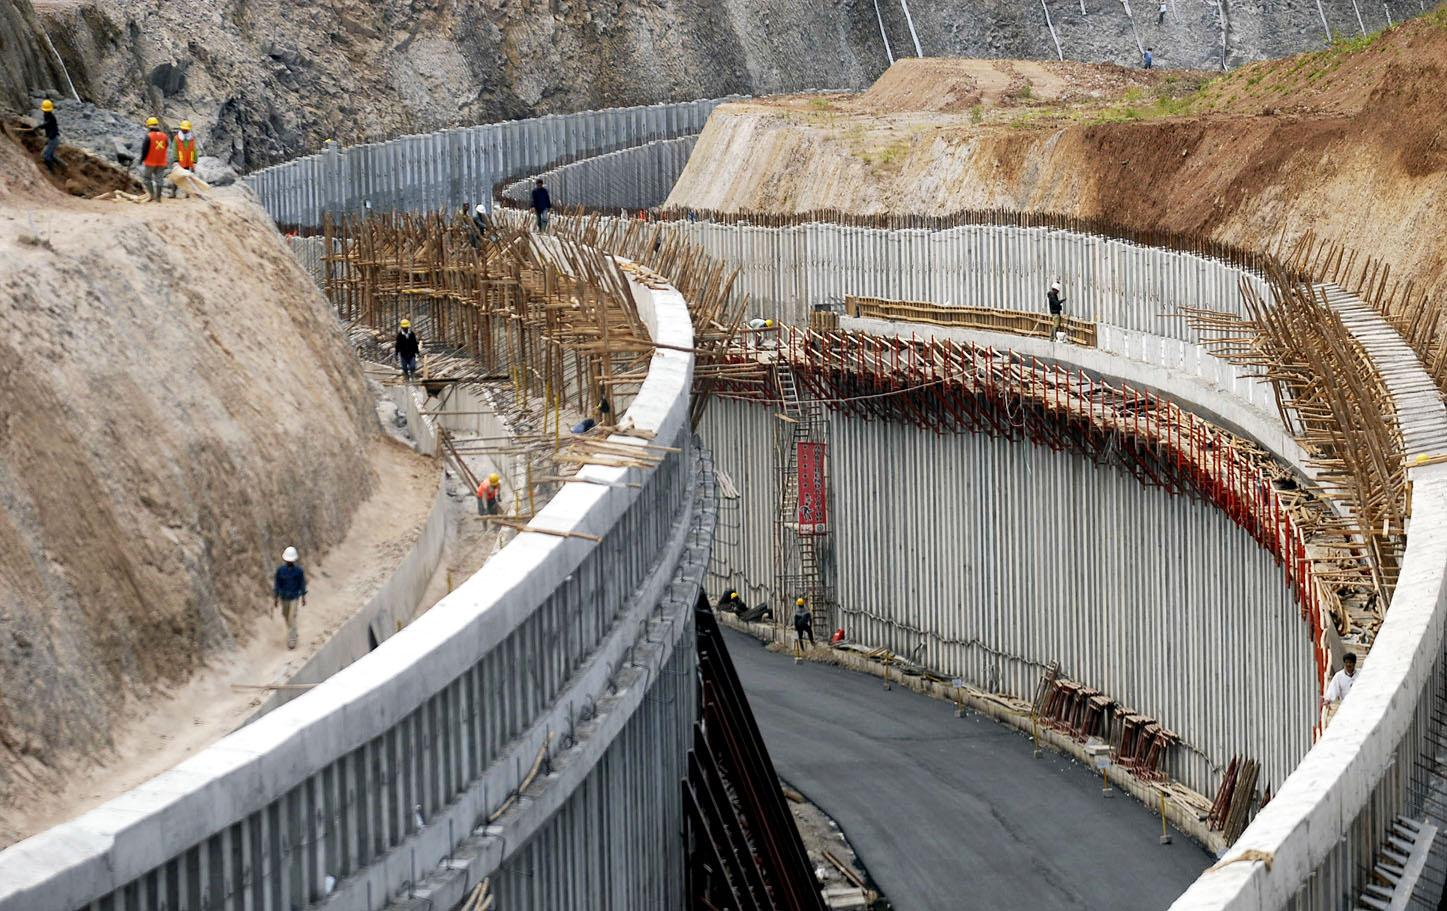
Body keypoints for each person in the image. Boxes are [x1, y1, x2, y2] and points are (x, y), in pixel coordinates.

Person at [273, 546, 307, 649]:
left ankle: (292, 640)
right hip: (284, 598)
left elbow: (302, 584)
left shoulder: (298, 571)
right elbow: (277, 584)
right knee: (286, 616)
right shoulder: (280, 571)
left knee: (292, 617)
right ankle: (293, 631)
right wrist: (276, 598)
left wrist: (303, 597)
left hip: (294, 598)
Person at [1321, 652, 1357, 727]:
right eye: (1346, 663)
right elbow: (1333, 688)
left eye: (1350, 663)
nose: (1348, 665)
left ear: (1354, 664)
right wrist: (1328, 700)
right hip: (1346, 706)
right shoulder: (1339, 676)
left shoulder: (1360, 674)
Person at [141, 117, 170, 202]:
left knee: (146, 179)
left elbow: (144, 149)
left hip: (150, 162)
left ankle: (152, 195)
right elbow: (166, 146)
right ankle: (158, 198)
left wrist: (142, 159)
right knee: (159, 180)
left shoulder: (148, 136)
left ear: (149, 126)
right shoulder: (164, 136)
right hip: (161, 162)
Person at [170, 120, 197, 197]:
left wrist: (195, 161)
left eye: (186, 130)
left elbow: (195, 150)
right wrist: (175, 160)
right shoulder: (177, 138)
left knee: (188, 179)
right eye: (183, 129)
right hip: (179, 162)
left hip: (188, 162)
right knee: (175, 178)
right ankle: (173, 193)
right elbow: (174, 149)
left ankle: (187, 194)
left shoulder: (191, 139)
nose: (184, 131)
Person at [39, 99, 62, 173]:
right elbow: (46, 125)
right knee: (49, 155)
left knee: (46, 155)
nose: (45, 111)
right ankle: (63, 165)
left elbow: (47, 124)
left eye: (46, 110)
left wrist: (39, 126)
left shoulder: (51, 117)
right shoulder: (46, 115)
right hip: (52, 138)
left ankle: (52, 171)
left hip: (54, 139)